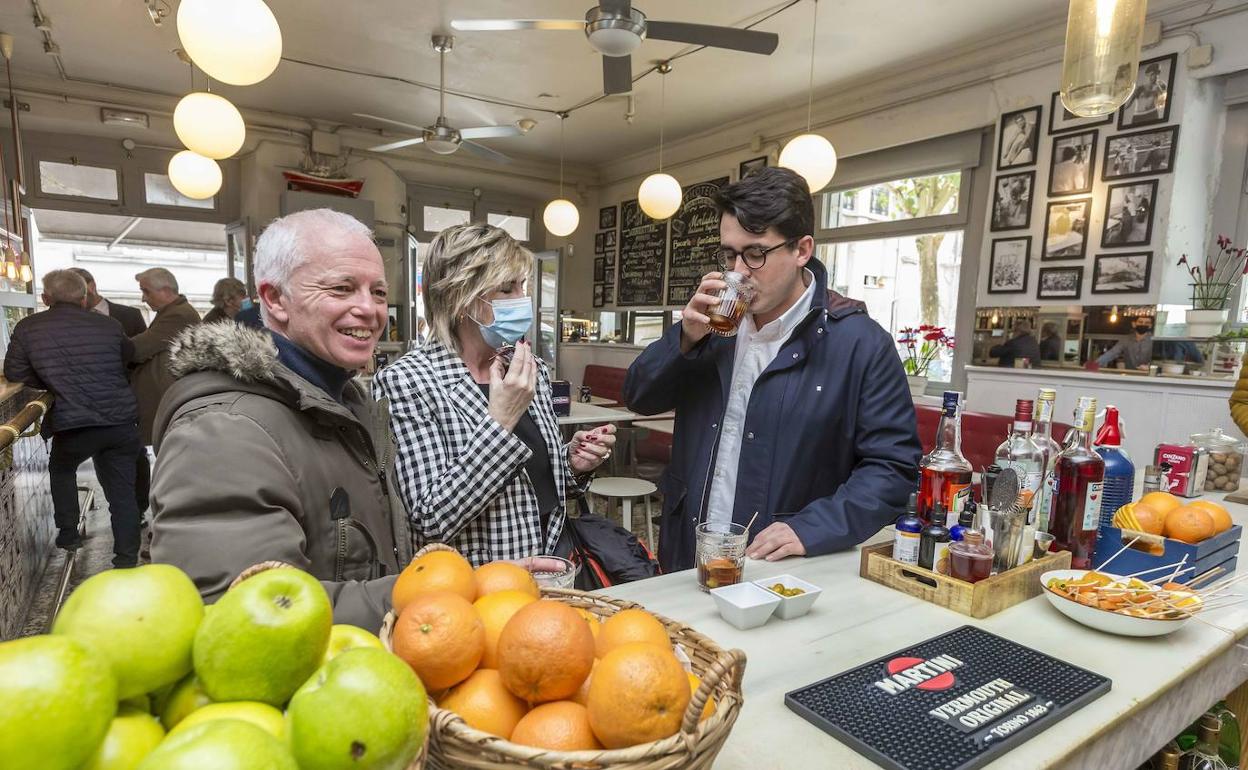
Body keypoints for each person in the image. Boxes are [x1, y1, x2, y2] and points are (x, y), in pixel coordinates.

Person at [624, 167, 921, 571]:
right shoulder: (711, 327)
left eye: (756, 253)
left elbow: (892, 468)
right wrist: (684, 340)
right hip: (689, 552)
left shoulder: (861, 343)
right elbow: (640, 397)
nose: (739, 271)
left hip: (783, 570)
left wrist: (812, 528)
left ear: (802, 250)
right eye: (729, 254)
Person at [149, 208, 412, 628]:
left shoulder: (341, 397)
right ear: (274, 299)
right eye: (342, 288)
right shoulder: (224, 430)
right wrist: (436, 596)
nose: (370, 309)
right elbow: (245, 613)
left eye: (378, 292)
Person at [374, 223, 616, 565]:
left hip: (553, 564)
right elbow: (430, 519)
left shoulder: (527, 367)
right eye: (507, 289)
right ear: (460, 297)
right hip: (479, 584)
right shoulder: (407, 381)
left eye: (523, 286)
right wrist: (501, 420)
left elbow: (535, 485)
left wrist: (572, 464)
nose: (522, 300)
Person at [4, 271, 143, 567]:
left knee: (62, 468)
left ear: (45, 299)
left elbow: (15, 373)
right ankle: (127, 557)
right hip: (119, 420)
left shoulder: (28, 327)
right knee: (122, 492)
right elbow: (127, 356)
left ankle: (69, 534)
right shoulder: (109, 325)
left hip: (74, 422)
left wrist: (51, 380)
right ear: (83, 298)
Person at [129, 268, 200, 515]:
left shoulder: (178, 315)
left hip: (170, 401)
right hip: (168, 399)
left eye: (146, 291)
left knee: (173, 464)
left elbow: (139, 349)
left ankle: (176, 515)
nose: (143, 298)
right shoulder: (172, 312)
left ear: (166, 290)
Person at [70, 267, 148, 337]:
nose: (71, 297)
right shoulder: (68, 320)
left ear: (92, 286)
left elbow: (144, 350)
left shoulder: (131, 315)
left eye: (74, 290)